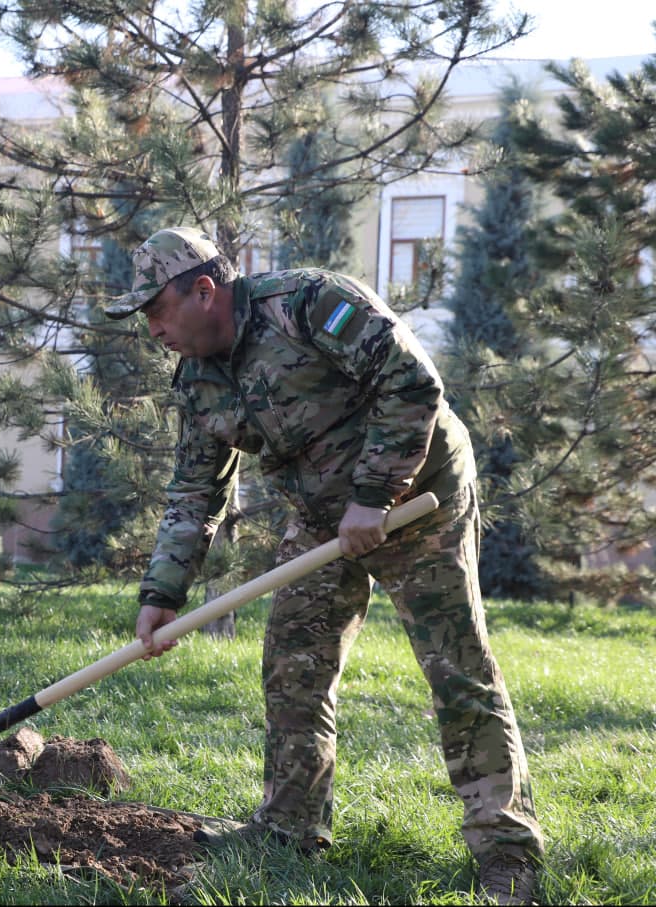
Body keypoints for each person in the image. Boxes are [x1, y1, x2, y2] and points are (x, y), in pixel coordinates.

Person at [105, 226, 544, 905]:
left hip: (418, 492)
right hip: (320, 514)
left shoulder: (310, 306)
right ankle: (289, 829)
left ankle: (507, 850)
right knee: (293, 663)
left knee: (456, 666)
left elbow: (413, 382)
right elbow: (196, 488)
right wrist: (163, 589)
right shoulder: (197, 380)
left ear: (203, 289)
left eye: (155, 309)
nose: (151, 327)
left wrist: (374, 495)